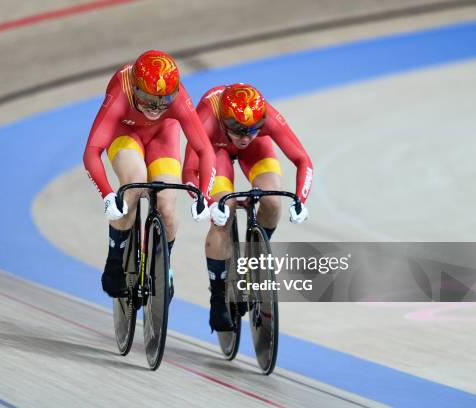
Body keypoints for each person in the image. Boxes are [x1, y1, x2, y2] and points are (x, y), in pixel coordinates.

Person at [83, 50, 217, 298]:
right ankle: (114, 263)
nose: (155, 107)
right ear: (135, 89)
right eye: (147, 99)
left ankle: (162, 264)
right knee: (133, 183)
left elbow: (204, 149)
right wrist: (108, 194)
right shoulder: (121, 90)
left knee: (166, 204)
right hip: (125, 134)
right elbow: (92, 151)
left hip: (162, 136)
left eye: (163, 101)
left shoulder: (178, 97)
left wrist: (203, 197)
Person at [183, 83, 313, 331]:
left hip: (257, 151)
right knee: (225, 209)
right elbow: (190, 169)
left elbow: (302, 159)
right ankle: (218, 295)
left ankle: (256, 255)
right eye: (239, 131)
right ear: (225, 121)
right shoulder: (207, 117)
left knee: (273, 202)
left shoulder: (267, 119)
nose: (245, 138)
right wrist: (208, 203)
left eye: (252, 130)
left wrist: (300, 201)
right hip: (215, 149)